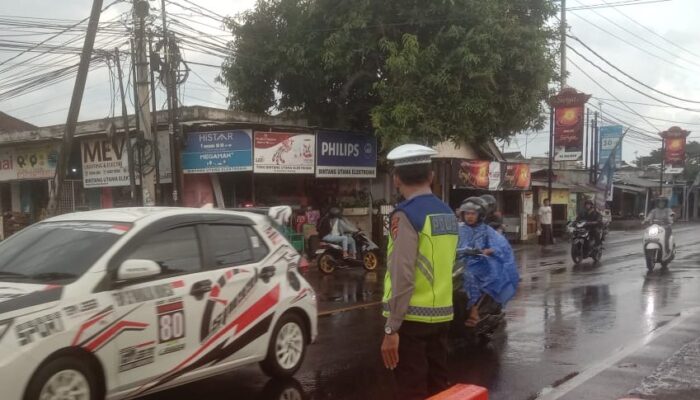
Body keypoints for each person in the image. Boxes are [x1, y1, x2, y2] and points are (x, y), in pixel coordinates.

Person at [380, 144, 458, 400]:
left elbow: (402, 274)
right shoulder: (447, 213)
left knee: (411, 391)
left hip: (411, 320)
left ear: (396, 179)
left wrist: (392, 329)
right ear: (431, 176)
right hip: (442, 315)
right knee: (440, 389)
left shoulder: (405, 215)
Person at [457, 197, 519, 327]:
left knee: (469, 276)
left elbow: (501, 246)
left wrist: (489, 250)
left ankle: (473, 310)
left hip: (480, 263)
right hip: (458, 261)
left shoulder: (486, 230)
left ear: (480, 215)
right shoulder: (458, 228)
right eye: (467, 213)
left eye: (473, 214)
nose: (469, 216)